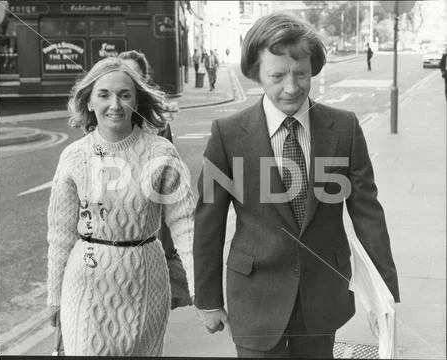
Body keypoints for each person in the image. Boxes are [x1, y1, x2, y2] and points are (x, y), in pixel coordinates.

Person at [193, 12, 400, 358]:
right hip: (254, 299)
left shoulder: (344, 128)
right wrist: (208, 300)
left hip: (322, 296)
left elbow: (367, 213)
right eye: (277, 76)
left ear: (312, 70)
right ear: (256, 73)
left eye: (301, 74)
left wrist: (385, 295)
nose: (291, 87)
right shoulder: (227, 135)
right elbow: (208, 223)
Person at [47, 56, 195, 356]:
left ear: (136, 101)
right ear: (89, 102)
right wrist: (54, 295)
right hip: (85, 282)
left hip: (146, 284)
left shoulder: (160, 152)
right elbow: (60, 234)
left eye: (124, 95)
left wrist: (200, 286)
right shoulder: (74, 157)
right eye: (104, 94)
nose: (114, 104)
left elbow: (185, 223)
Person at [118, 49, 192, 309]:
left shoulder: (158, 126)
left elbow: (171, 187)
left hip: (150, 223)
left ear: (143, 84)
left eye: (133, 77)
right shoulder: (102, 123)